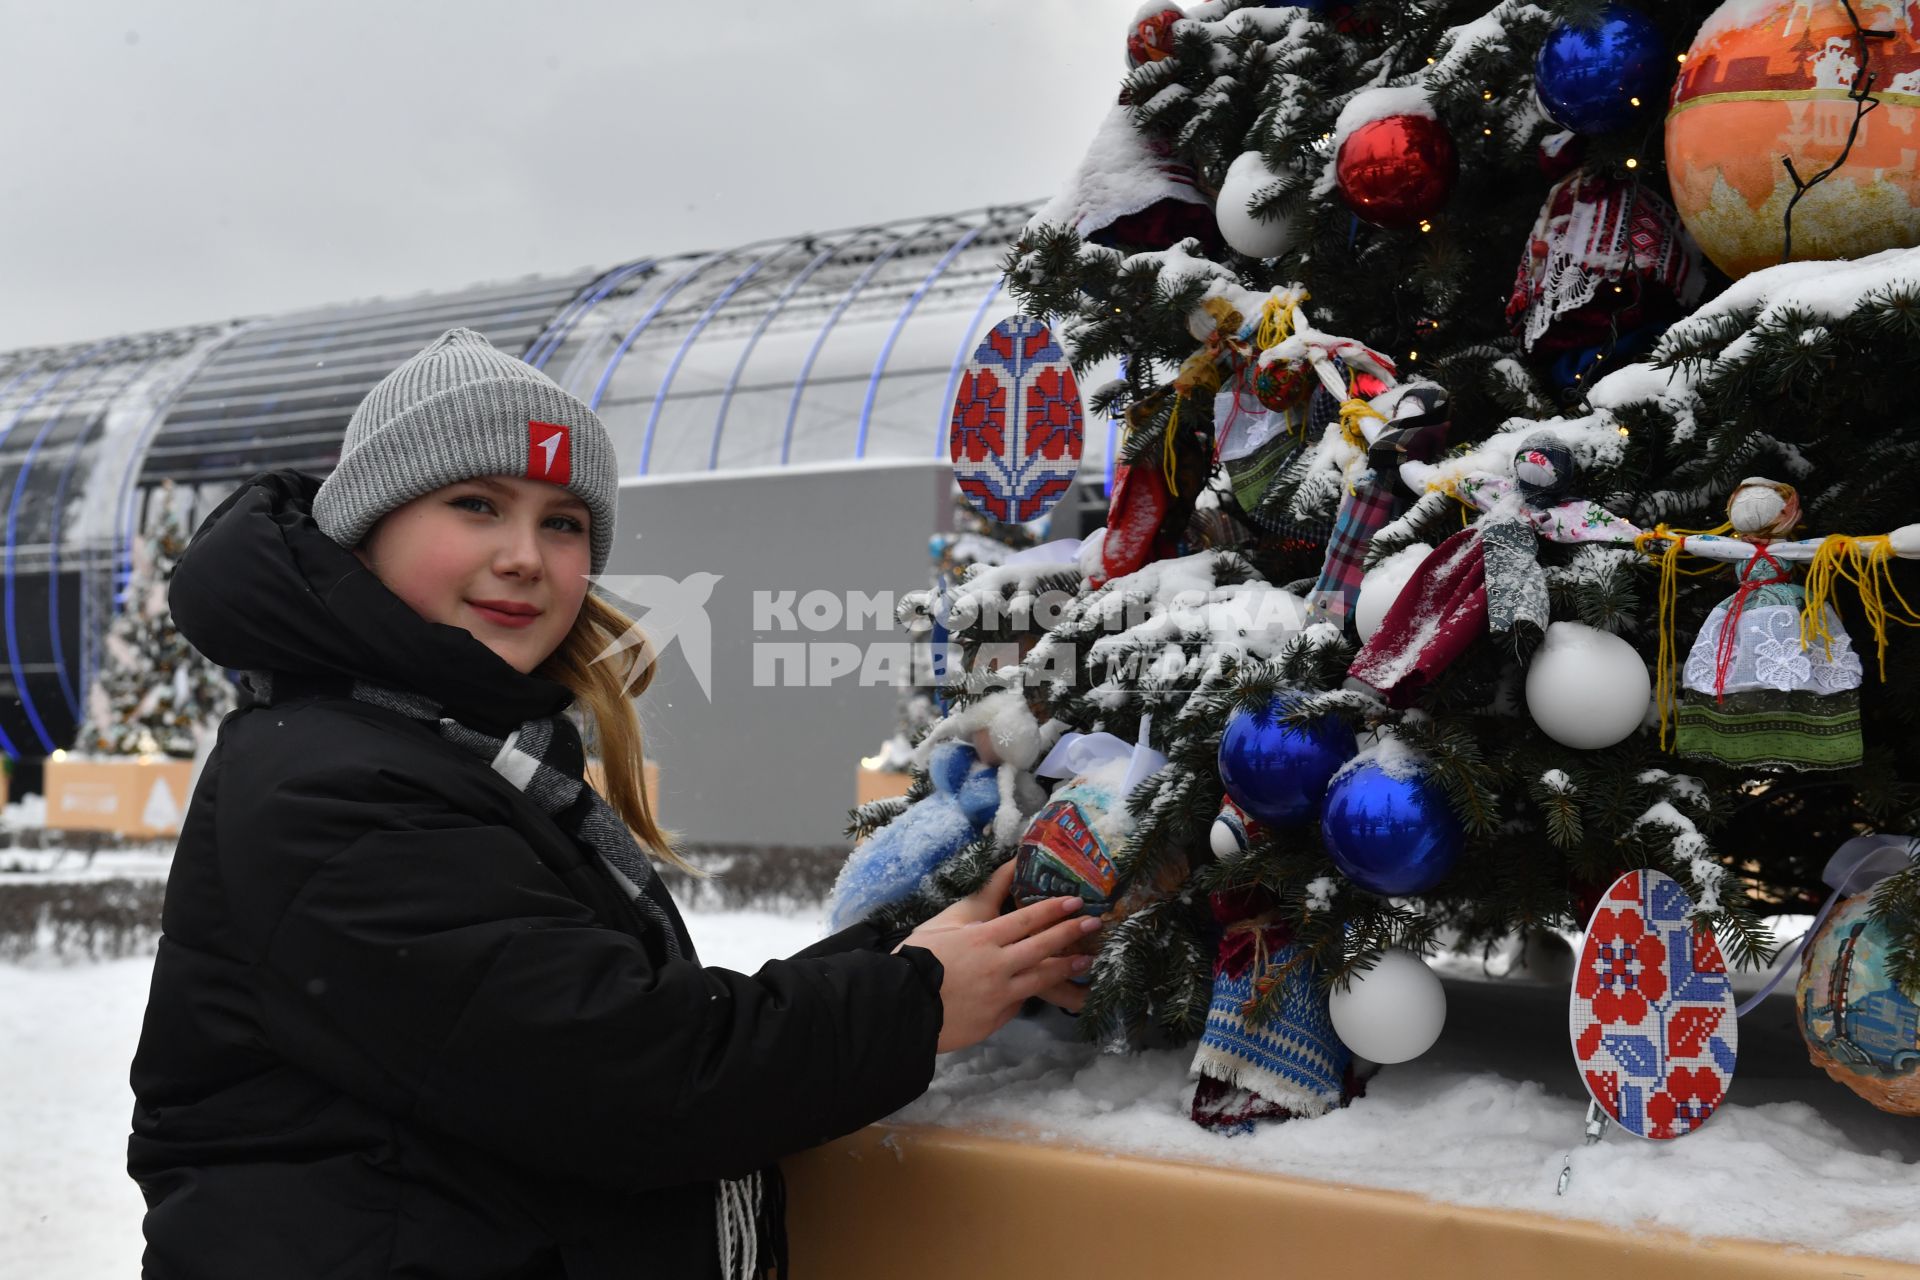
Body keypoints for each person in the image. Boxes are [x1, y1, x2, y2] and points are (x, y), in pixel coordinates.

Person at [127, 328, 1095, 1280]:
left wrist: (907, 948)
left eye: (563, 521)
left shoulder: (431, 746)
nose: (524, 555)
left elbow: (585, 1023)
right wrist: (912, 1001)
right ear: (365, 528)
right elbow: (627, 1080)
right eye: (476, 504)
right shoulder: (339, 782)